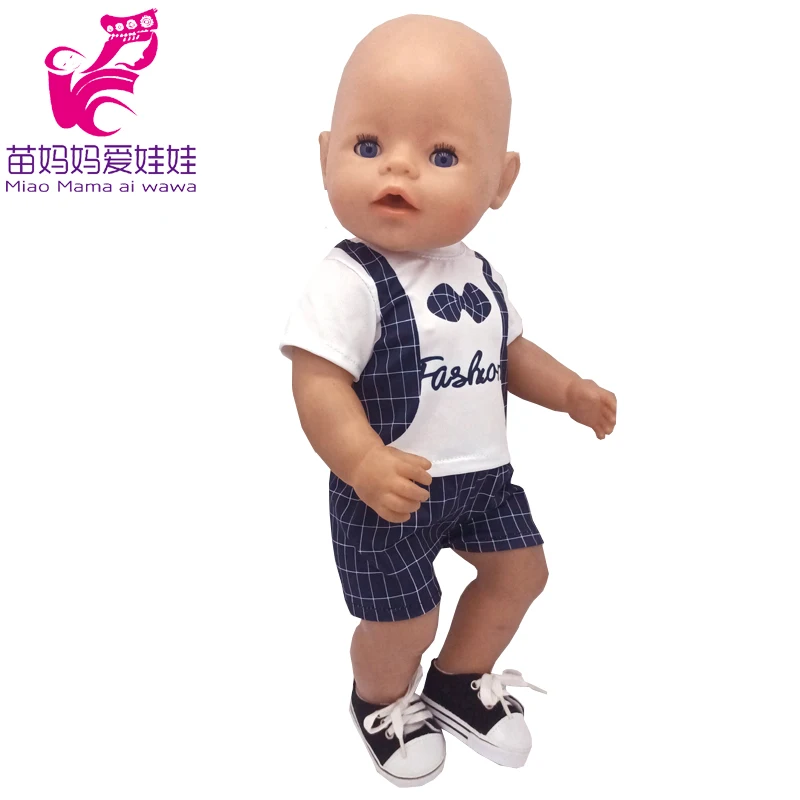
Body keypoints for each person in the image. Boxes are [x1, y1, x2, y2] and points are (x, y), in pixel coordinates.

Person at [280, 14, 617, 787]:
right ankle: (381, 699)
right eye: (369, 146)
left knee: (521, 573)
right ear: (325, 155)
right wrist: (363, 462)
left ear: (501, 181)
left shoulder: (478, 272)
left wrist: (570, 391)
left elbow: (511, 352)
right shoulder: (348, 280)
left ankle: (459, 681)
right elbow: (318, 382)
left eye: (441, 156)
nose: (399, 169)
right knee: (405, 619)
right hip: (387, 492)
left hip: (482, 480)